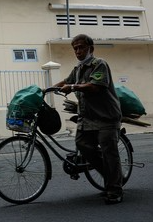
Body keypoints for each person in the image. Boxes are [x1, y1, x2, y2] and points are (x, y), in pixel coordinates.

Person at [54, 34, 123, 204]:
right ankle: (112, 176)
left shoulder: (99, 64)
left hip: (106, 117)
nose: (78, 51)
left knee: (109, 152)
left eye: (81, 47)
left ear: (90, 48)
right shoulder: (78, 69)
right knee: (83, 145)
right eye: (75, 48)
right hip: (88, 117)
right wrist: (45, 89)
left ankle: (115, 191)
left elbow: (94, 87)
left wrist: (72, 87)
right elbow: (66, 81)